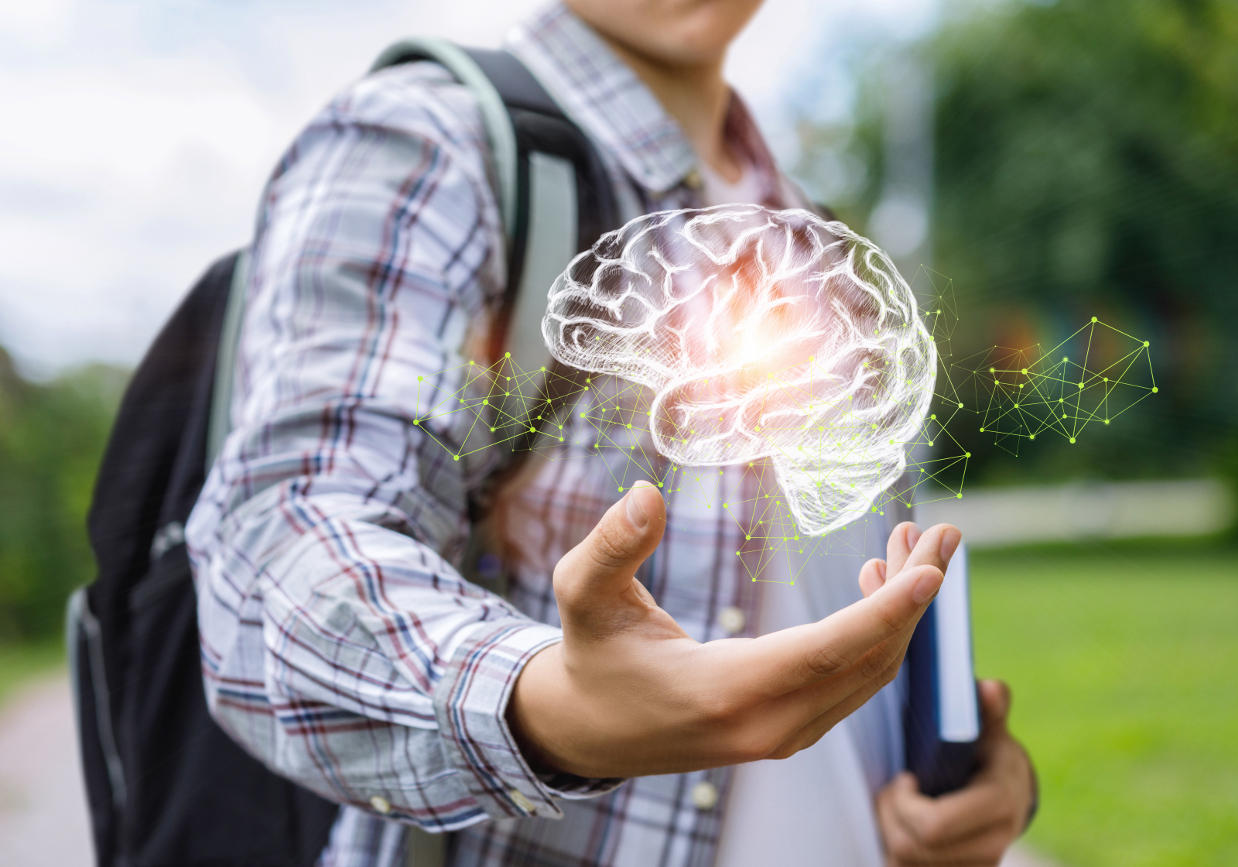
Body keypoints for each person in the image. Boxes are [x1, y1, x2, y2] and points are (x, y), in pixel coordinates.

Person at [185, 1, 1037, 865]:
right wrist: (543, 705)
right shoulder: (428, 145)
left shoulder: (816, 233)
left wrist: (972, 778)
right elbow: (279, 544)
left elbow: (837, 596)